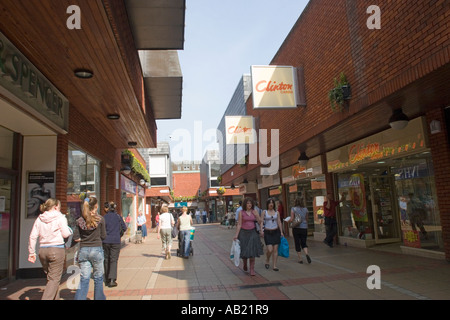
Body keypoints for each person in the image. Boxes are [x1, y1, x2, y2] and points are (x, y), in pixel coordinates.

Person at [28, 198, 72, 300]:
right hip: (56, 250)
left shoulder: (39, 218)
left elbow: (33, 236)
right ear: (56, 207)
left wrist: (32, 252)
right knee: (54, 279)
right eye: (59, 206)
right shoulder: (60, 217)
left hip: (43, 250)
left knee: (51, 278)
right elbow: (65, 234)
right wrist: (70, 231)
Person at [73, 196, 107, 300]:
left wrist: (84, 238)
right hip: (97, 249)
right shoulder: (100, 219)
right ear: (96, 206)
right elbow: (103, 236)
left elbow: (76, 238)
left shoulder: (79, 220)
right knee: (98, 277)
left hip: (84, 250)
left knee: (84, 278)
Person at [233, 198, 264, 276]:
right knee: (245, 251)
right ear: (245, 204)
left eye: (250, 203)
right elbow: (239, 224)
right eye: (248, 203)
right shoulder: (241, 212)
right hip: (243, 233)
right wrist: (236, 235)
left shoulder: (254, 211)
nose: (249, 205)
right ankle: (244, 264)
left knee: (252, 251)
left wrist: (257, 216)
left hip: (253, 232)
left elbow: (260, 221)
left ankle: (252, 269)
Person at [103, 201, 127, 288]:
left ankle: (106, 279)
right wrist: (118, 233)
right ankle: (112, 279)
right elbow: (124, 228)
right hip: (116, 241)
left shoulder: (104, 217)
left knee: (106, 259)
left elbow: (101, 230)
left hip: (106, 241)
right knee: (113, 259)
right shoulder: (118, 217)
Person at [262, 198, 284, 271]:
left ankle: (274, 265)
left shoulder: (277, 212)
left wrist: (281, 231)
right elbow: (261, 221)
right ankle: (267, 259)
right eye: (269, 203)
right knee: (270, 249)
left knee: (275, 249)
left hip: (275, 232)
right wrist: (261, 230)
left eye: (272, 203)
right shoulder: (264, 212)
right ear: (267, 204)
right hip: (267, 232)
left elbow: (279, 222)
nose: (271, 204)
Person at [290, 197, 311, 264]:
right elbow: (307, 219)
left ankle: (300, 258)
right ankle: (307, 253)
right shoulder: (306, 209)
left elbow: (292, 219)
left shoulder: (293, 209)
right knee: (303, 242)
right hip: (304, 228)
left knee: (297, 242)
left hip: (296, 228)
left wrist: (288, 221)